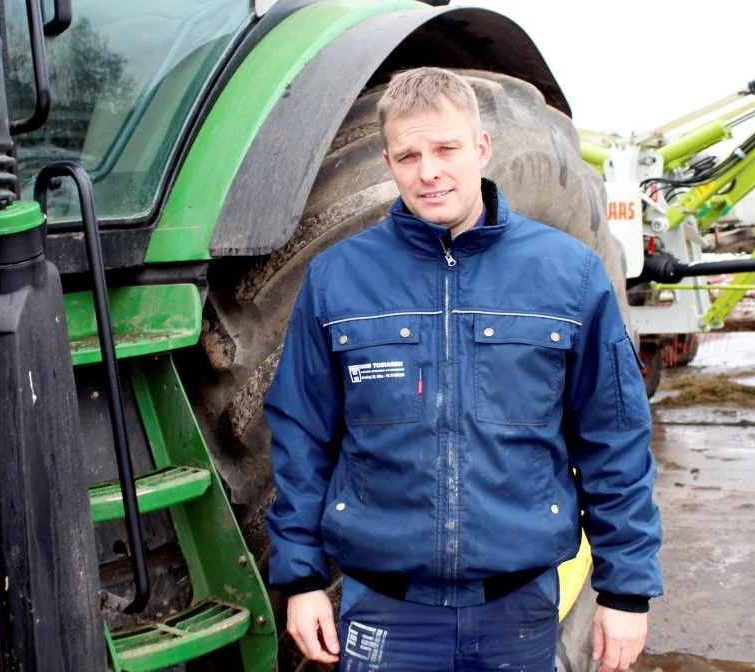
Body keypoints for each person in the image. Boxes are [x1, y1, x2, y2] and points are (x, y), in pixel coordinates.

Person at [263, 67, 662, 672]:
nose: (428, 172)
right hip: (385, 609)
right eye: (408, 155)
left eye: (446, 148)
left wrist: (625, 590)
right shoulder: (338, 279)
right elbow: (301, 436)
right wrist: (300, 580)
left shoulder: (569, 275)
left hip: (517, 608)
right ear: (390, 163)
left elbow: (615, 437)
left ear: (481, 148)